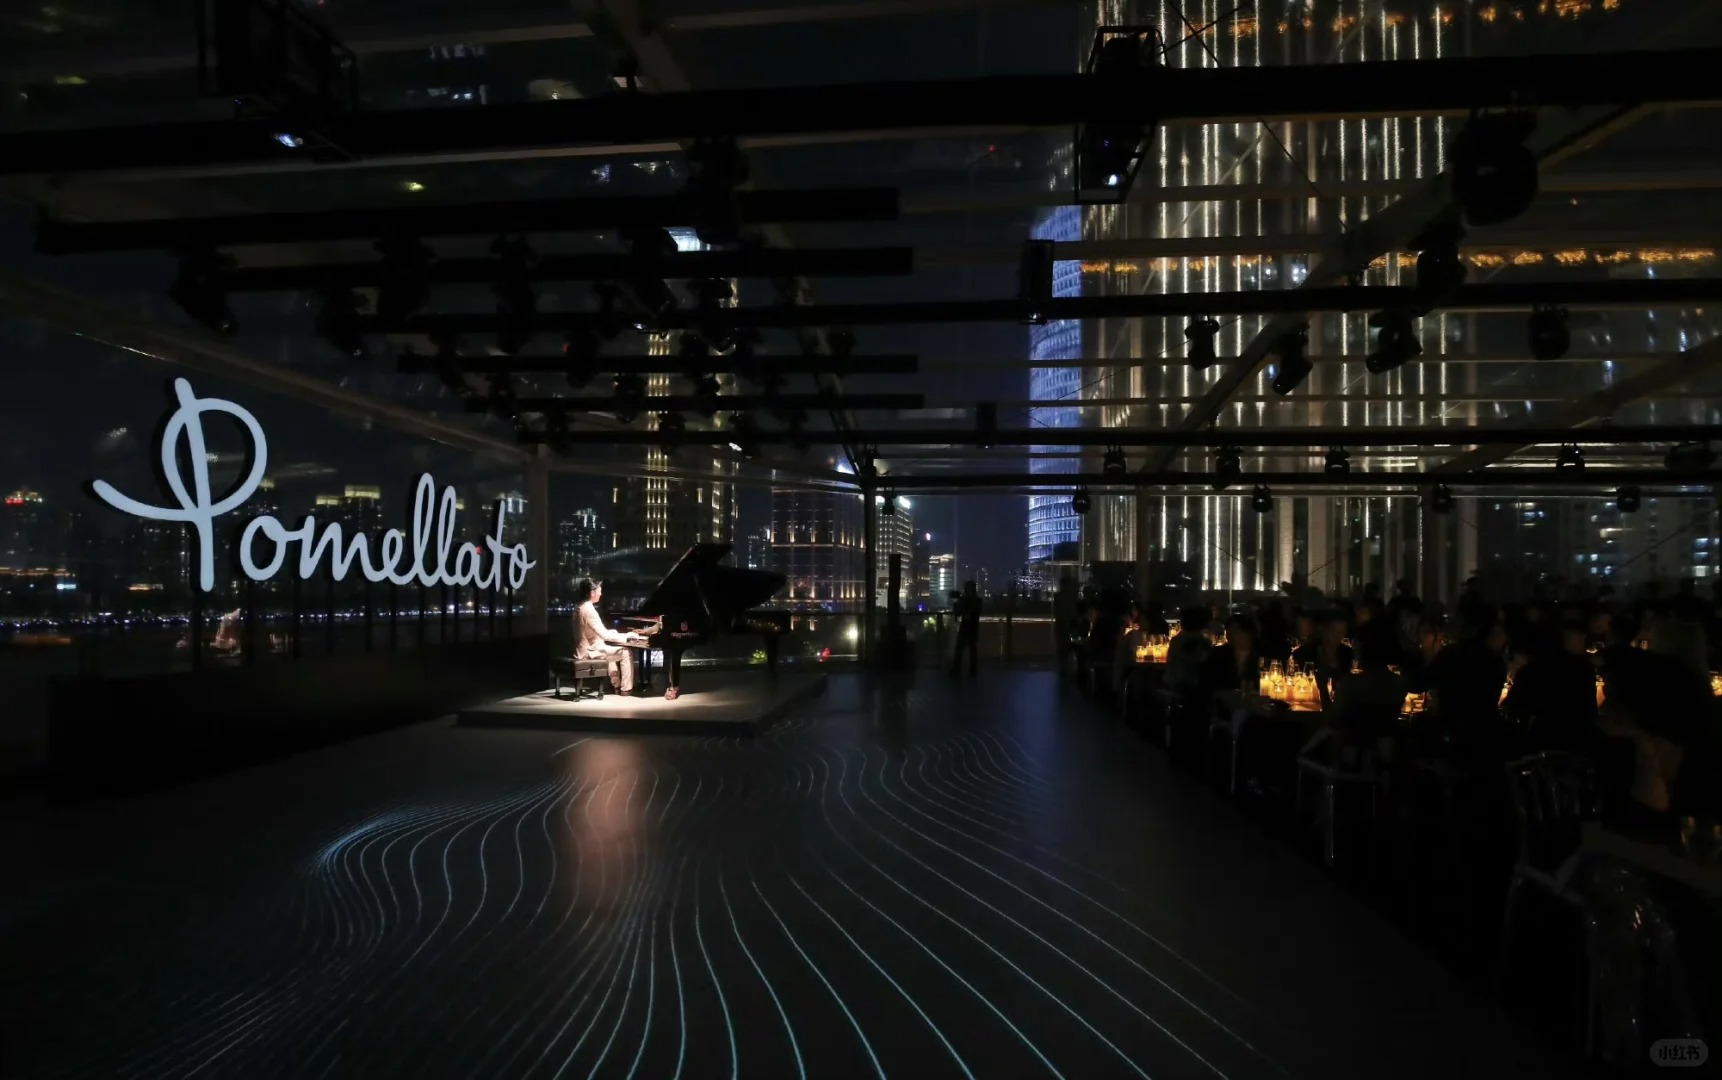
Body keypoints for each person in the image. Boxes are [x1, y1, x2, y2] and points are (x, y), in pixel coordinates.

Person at [574, 577, 649, 696]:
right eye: (599, 590)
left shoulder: (579, 606)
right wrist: (627, 636)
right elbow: (604, 635)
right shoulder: (589, 610)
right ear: (592, 592)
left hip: (582, 648)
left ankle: (617, 685)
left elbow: (593, 632)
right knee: (626, 652)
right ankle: (626, 689)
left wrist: (613, 633)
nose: (601, 593)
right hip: (589, 651)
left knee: (609, 649)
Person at [950, 580, 982, 676]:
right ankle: (971, 669)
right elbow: (959, 612)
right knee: (970, 649)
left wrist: (959, 601)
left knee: (961, 649)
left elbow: (959, 612)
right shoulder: (977, 600)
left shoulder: (972, 601)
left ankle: (958, 669)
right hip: (971, 627)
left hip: (967, 627)